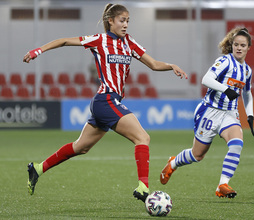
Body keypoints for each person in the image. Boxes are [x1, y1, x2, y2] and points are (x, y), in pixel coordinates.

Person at [23, 3, 187, 203]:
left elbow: (153, 64)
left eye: (128, 21)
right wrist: (38, 51)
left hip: (108, 101)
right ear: (111, 21)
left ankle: (38, 168)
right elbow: (65, 41)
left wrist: (171, 66)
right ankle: (143, 187)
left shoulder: (130, 43)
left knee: (81, 147)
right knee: (142, 138)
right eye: (122, 20)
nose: (126, 24)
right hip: (105, 99)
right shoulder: (99, 40)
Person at [160, 27, 254, 199]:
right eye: (236, 45)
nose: (239, 48)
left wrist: (250, 114)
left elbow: (247, 93)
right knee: (197, 155)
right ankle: (173, 163)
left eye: (242, 45)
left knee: (236, 144)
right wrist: (226, 89)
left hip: (229, 113)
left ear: (249, 47)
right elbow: (206, 79)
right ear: (232, 45)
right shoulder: (225, 62)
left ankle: (222, 185)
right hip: (210, 112)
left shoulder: (247, 71)